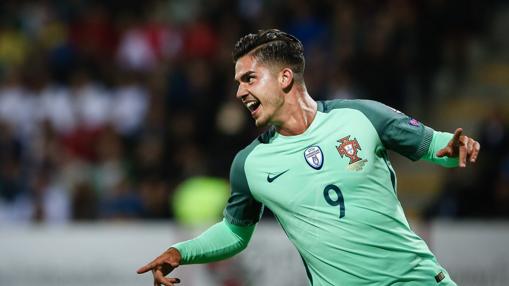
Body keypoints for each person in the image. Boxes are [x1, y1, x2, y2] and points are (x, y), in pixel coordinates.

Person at [137, 29, 480, 286]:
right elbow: (234, 232)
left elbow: (439, 146)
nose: (240, 91)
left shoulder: (362, 117)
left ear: (285, 77)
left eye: (249, 79)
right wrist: (181, 252)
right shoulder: (250, 163)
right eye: (238, 82)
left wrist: (454, 150)